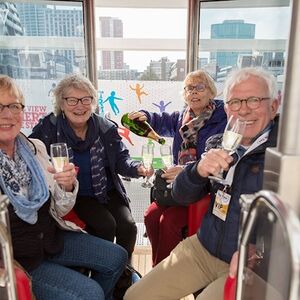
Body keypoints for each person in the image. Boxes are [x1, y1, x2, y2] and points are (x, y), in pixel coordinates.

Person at [124, 67, 279, 300]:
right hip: (204, 246)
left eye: (254, 100)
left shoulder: (286, 152)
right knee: (134, 296)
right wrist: (196, 170)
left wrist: (264, 256)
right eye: (236, 102)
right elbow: (182, 194)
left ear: (274, 105)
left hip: (248, 265)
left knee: (169, 222)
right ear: (227, 108)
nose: (244, 109)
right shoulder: (217, 140)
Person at [0, 75, 128, 300]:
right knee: (91, 292)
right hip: (19, 257)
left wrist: (67, 187)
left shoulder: (35, 148)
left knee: (118, 256)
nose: (7, 114)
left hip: (52, 237)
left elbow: (57, 208)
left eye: (13, 106)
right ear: (61, 103)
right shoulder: (47, 131)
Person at [29, 74, 147, 261]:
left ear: (93, 102)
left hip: (107, 191)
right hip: (76, 194)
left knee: (129, 227)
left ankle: (123, 272)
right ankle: (104, 270)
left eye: (86, 99)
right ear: (61, 103)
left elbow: (121, 160)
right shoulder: (48, 128)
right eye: (72, 100)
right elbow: (32, 154)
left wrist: (138, 168)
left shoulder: (105, 127)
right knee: (106, 225)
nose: (80, 106)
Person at [128, 69, 227, 266]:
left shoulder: (223, 118)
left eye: (200, 87)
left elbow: (220, 161)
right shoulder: (182, 117)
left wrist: (187, 170)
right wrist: (143, 115)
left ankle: (164, 280)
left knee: (169, 222)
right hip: (179, 187)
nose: (194, 92)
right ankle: (159, 268)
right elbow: (158, 120)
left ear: (211, 92)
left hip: (206, 189)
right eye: (189, 88)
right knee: (150, 215)